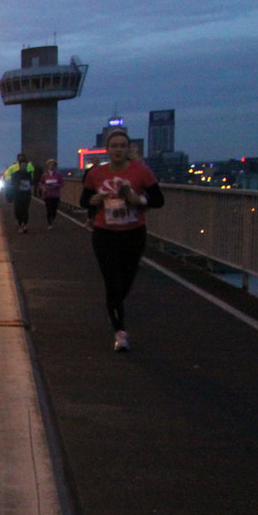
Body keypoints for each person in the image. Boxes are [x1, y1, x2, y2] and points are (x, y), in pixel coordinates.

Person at [79, 129, 164, 352]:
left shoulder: (141, 171)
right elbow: (84, 200)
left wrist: (138, 199)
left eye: (122, 146)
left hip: (133, 234)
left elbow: (158, 200)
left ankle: (114, 307)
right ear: (107, 149)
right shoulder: (96, 173)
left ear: (128, 149)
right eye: (114, 146)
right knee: (113, 282)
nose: (118, 150)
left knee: (125, 281)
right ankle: (120, 331)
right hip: (104, 234)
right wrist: (93, 200)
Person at [4, 152, 36, 232]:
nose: (24, 167)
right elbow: (9, 179)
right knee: (18, 209)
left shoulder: (29, 173)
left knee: (25, 210)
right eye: (22, 165)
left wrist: (32, 187)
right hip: (17, 194)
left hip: (26, 194)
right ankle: (19, 222)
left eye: (25, 165)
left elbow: (32, 181)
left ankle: (24, 225)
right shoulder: (15, 173)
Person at [39, 158, 64, 229]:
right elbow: (41, 183)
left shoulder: (59, 174)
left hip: (56, 195)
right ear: (48, 166)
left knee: (54, 209)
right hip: (47, 195)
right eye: (50, 165)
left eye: (53, 165)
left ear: (55, 166)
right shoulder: (45, 175)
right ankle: (49, 223)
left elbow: (62, 184)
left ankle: (53, 219)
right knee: (48, 209)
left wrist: (56, 185)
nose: (51, 166)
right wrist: (43, 188)